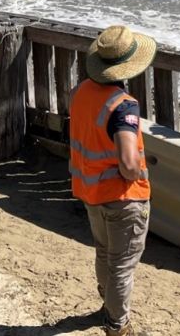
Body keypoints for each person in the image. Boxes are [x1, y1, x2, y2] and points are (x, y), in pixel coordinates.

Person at [69, 24, 158, 336]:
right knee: (122, 264)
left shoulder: (80, 93)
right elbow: (128, 162)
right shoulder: (123, 105)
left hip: (91, 190)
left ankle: (107, 308)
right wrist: (141, 173)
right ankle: (117, 326)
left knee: (104, 254)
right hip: (123, 197)